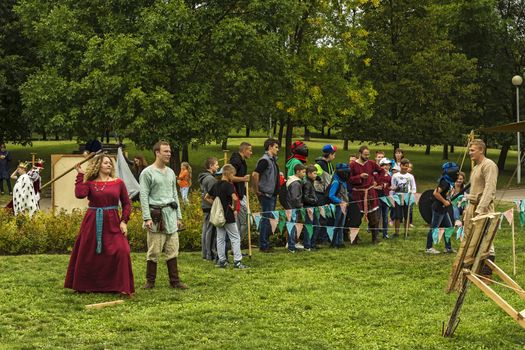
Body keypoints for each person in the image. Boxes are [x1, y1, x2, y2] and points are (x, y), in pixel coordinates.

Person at [64, 155, 134, 295]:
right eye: (106, 163)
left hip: (113, 220)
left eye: (110, 163)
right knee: (88, 252)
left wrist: (124, 221)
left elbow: (127, 203)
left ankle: (120, 285)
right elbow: (80, 194)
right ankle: (85, 285)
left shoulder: (118, 182)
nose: (109, 165)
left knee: (122, 250)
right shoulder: (90, 183)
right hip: (93, 220)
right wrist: (80, 175)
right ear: (98, 166)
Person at [140, 141, 186, 289]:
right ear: (157, 153)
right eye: (165, 151)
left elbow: (174, 195)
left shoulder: (171, 172)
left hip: (171, 215)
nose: (169, 154)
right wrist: (146, 217)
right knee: (154, 250)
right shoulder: (147, 173)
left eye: (170, 151)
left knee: (173, 249)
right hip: (156, 216)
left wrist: (179, 216)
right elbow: (143, 196)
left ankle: (175, 281)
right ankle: (150, 281)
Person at [464, 139, 498, 278]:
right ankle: (475, 270)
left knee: (486, 240)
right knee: (472, 239)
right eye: (469, 150)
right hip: (472, 206)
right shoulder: (476, 167)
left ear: (481, 150)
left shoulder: (488, 165)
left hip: (483, 208)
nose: (469, 153)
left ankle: (486, 275)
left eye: (472, 150)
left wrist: (480, 209)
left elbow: (490, 188)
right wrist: (468, 210)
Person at [205, 164, 249, 269]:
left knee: (220, 238)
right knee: (235, 237)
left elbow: (206, 197)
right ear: (228, 173)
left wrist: (216, 205)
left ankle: (222, 260)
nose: (233, 177)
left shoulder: (216, 185)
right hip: (228, 214)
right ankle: (237, 261)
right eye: (232, 175)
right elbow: (234, 197)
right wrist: (233, 207)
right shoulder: (228, 185)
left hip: (219, 216)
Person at [348, 146, 386, 244]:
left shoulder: (371, 163)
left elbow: (381, 171)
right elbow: (349, 179)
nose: (367, 156)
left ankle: (375, 239)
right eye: (365, 154)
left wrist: (377, 182)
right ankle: (354, 239)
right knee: (356, 218)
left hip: (370, 193)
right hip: (357, 193)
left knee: (374, 217)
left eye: (368, 154)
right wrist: (359, 177)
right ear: (360, 153)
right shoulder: (353, 165)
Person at [252, 138, 280, 253]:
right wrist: (256, 189)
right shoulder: (265, 160)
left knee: (269, 219)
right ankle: (263, 245)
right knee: (266, 219)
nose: (278, 149)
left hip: (272, 194)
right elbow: (255, 174)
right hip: (266, 194)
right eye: (276, 147)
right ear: (270, 147)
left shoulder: (272, 160)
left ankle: (266, 243)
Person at [425, 162, 459, 254]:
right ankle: (429, 248)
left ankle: (448, 248)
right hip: (438, 208)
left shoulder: (450, 182)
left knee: (449, 227)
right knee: (434, 227)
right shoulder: (445, 182)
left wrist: (449, 199)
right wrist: (444, 201)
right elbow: (435, 193)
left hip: (444, 209)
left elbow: (447, 194)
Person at [230, 142, 252, 240]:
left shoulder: (243, 162)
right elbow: (230, 177)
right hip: (237, 196)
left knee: (240, 224)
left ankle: (235, 248)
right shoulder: (236, 161)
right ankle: (235, 244)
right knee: (248, 221)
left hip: (242, 194)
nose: (251, 153)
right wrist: (243, 179)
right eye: (250, 150)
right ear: (244, 150)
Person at [199, 157, 220, 261]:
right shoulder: (211, 179)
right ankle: (210, 254)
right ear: (211, 166)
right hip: (209, 206)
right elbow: (211, 195)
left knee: (206, 230)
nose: (218, 166)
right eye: (216, 164)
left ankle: (205, 253)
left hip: (205, 206)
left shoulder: (204, 177)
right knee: (210, 231)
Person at [391, 158, 416, 237]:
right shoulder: (395, 176)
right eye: (404, 166)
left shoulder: (410, 176)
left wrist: (411, 193)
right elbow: (393, 186)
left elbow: (414, 187)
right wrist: (393, 194)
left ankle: (406, 232)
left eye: (407, 166)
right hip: (398, 197)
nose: (405, 167)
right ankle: (396, 232)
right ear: (400, 165)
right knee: (398, 216)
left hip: (407, 197)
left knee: (407, 215)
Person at [327, 163, 350, 248]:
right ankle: (335, 242)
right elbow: (331, 195)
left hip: (344, 206)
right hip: (338, 207)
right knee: (337, 224)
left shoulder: (343, 181)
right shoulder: (336, 182)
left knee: (341, 225)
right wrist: (340, 201)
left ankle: (340, 242)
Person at [286, 163, 306, 253]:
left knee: (292, 226)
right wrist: (300, 205)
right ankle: (291, 246)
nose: (304, 174)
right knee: (292, 226)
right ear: (297, 172)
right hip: (293, 208)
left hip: (291, 207)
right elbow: (295, 197)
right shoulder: (295, 184)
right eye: (303, 172)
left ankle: (291, 244)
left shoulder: (295, 182)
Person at [302, 165, 320, 250]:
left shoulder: (311, 182)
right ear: (309, 174)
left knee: (316, 225)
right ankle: (308, 245)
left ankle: (312, 244)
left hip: (313, 207)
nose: (316, 175)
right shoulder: (307, 183)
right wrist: (314, 201)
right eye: (314, 173)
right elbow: (305, 197)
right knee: (309, 226)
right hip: (309, 207)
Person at [376, 158, 392, 239]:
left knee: (385, 216)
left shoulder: (389, 175)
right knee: (377, 216)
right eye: (385, 165)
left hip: (386, 198)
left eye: (388, 165)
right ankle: (375, 233)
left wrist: (391, 187)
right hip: (378, 197)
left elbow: (390, 185)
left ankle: (385, 233)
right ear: (381, 166)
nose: (387, 167)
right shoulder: (377, 174)